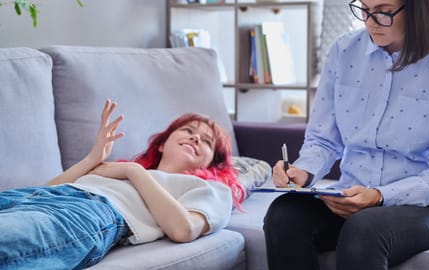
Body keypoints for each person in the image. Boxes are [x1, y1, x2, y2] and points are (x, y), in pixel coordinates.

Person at [264, 0, 429, 270]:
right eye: (363, 8)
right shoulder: (343, 52)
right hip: (349, 197)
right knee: (283, 216)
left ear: (418, 6)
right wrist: (302, 172)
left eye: (382, 12)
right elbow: (323, 139)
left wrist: (379, 196)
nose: (368, 22)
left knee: (363, 230)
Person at [0, 99, 245, 269]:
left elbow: (183, 230)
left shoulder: (209, 189)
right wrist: (92, 159)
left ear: (214, 160)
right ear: (162, 143)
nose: (195, 137)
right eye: (189, 130)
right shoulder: (115, 169)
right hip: (34, 196)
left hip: (91, 212)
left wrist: (134, 171)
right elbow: (49, 189)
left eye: (206, 141)